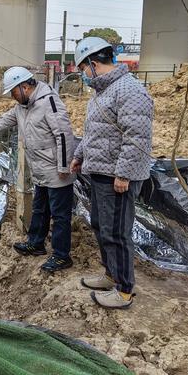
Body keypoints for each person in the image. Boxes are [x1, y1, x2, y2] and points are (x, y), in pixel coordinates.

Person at [0, 67, 76, 272]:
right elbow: (2, 123)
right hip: (40, 169)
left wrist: (64, 166)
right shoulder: (22, 108)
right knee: (40, 208)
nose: (13, 97)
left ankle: (61, 256)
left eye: (14, 92)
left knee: (60, 215)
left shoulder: (48, 102)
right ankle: (36, 243)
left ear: (24, 86)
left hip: (56, 169)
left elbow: (63, 135)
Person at [70, 37, 153, 310]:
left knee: (117, 232)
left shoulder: (129, 90)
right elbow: (94, 131)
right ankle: (110, 274)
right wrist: (80, 156)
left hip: (117, 177)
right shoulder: (102, 93)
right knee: (102, 227)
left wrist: (124, 174)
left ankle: (124, 290)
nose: (82, 74)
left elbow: (137, 137)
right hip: (101, 171)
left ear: (93, 64)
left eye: (82, 68)